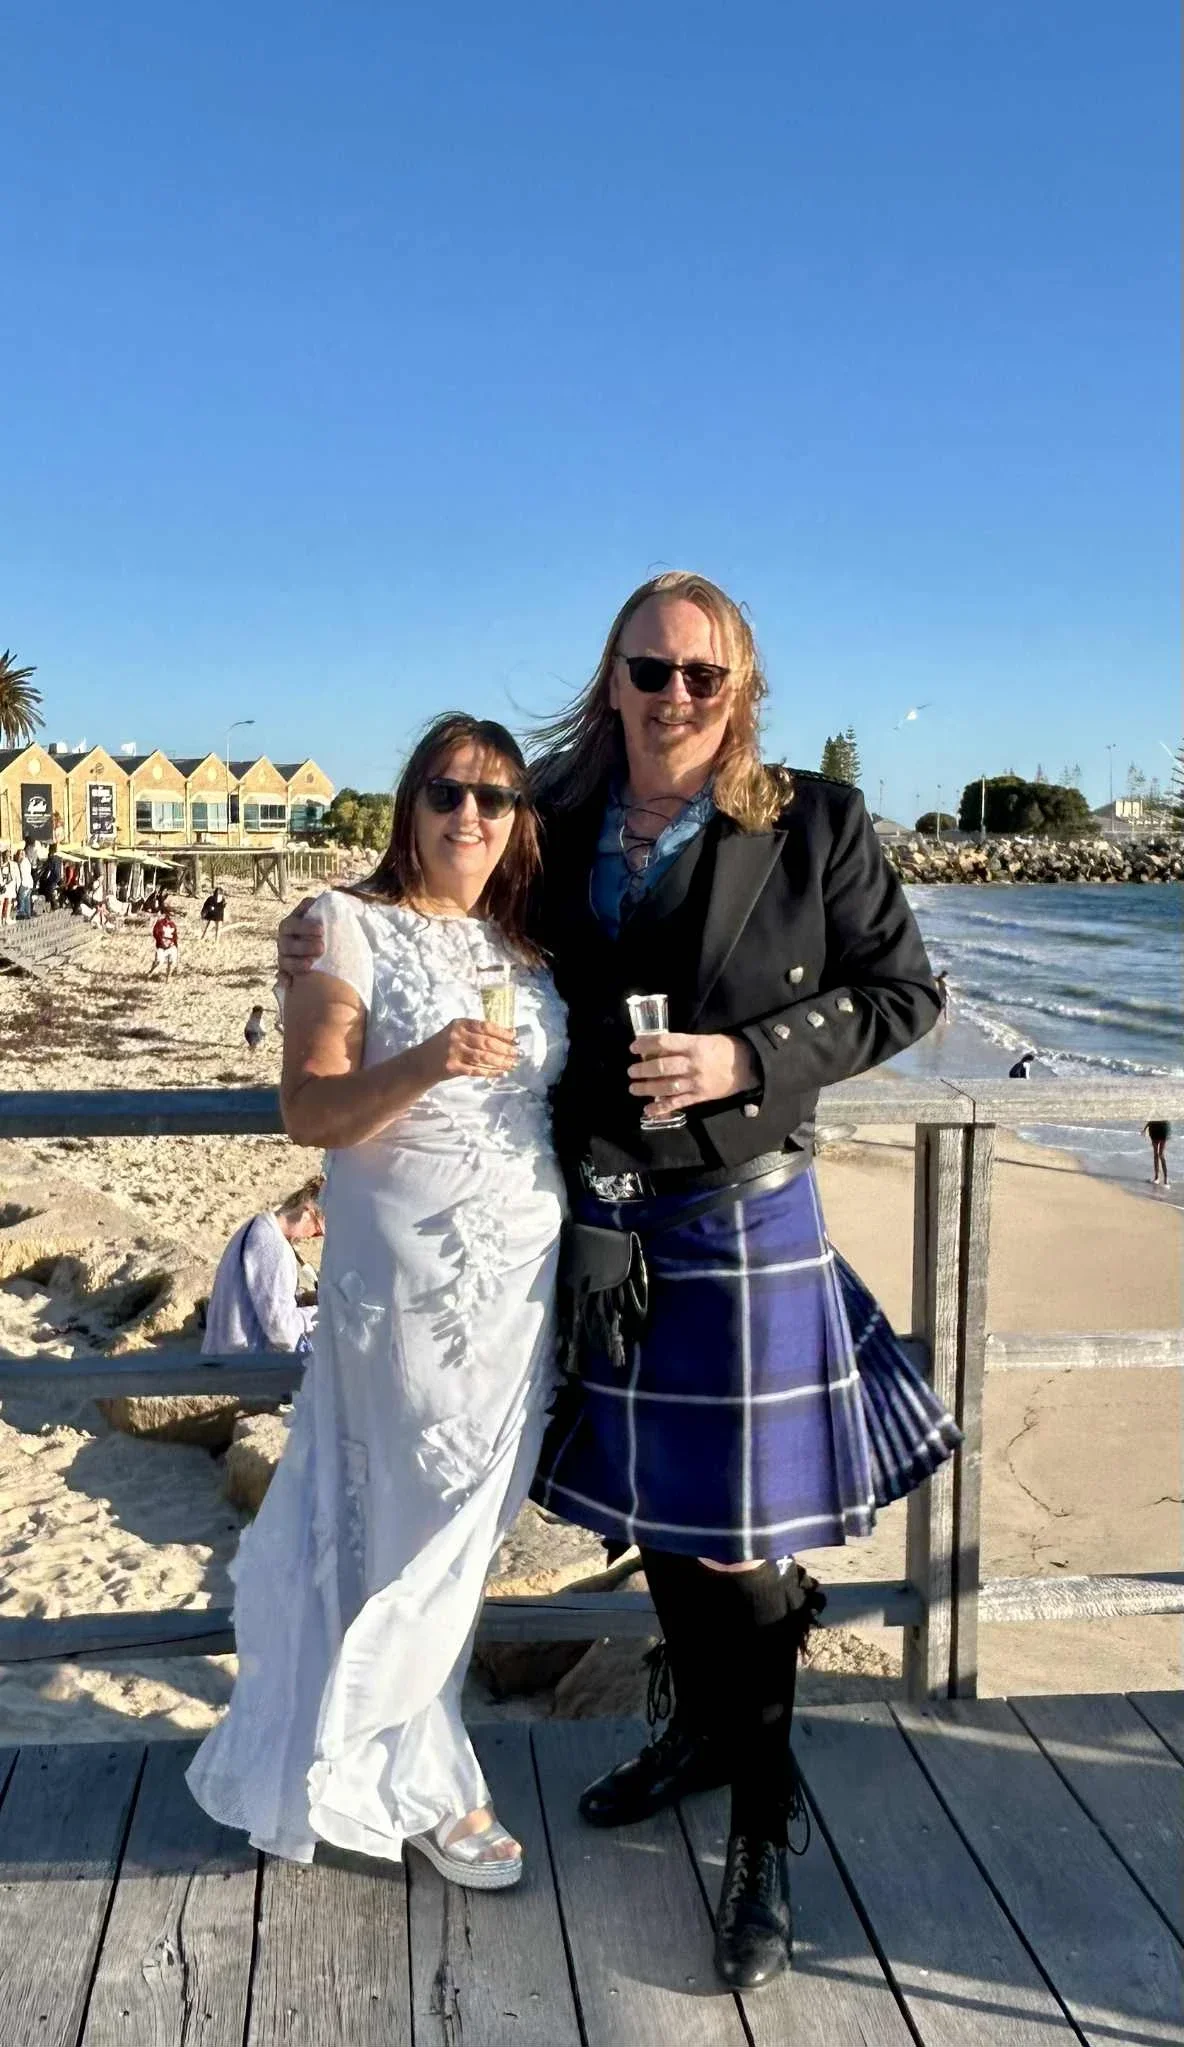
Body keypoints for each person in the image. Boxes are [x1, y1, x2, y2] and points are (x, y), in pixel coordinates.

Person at [274, 573, 955, 1988]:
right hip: (606, 1212)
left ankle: (766, 1823)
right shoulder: (564, 810)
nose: (676, 698)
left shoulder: (812, 820)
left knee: (739, 1537)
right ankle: (705, 1732)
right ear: (616, 677)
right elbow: (445, 896)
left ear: (742, 686)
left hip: (745, 1201)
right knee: (660, 1506)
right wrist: (325, 918)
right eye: (652, 671)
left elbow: (906, 992)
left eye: (704, 676)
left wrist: (750, 1056)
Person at [187, 713, 568, 1895]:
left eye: (494, 799)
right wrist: (426, 1061)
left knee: (466, 1530)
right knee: (405, 1523)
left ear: (518, 826)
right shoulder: (344, 927)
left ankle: (379, 1753)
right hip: (400, 1286)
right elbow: (310, 1110)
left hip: (518, 1291)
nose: (469, 815)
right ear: (411, 803)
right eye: (447, 792)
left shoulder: (533, 951)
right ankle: (431, 1782)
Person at [202, 1180, 324, 1356]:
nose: (313, 1237)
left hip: (221, 1354)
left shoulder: (257, 1225)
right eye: (318, 1230)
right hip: (245, 1366)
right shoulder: (273, 1246)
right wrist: (321, 1314)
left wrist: (305, 1299)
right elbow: (283, 1331)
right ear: (306, 1213)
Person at [149, 901, 181, 978]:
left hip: (171, 945)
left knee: (171, 962)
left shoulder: (172, 925)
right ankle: (150, 972)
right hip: (161, 946)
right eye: (170, 914)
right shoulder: (160, 923)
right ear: (166, 914)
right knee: (159, 961)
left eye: (172, 915)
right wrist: (161, 942)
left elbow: (175, 936)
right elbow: (156, 933)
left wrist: (175, 946)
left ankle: (168, 978)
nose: (171, 917)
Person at [1143, 1120, 1171, 1188]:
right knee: (1157, 1155)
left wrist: (1168, 1133)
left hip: (1161, 1132)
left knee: (1160, 1155)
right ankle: (1157, 1178)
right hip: (1155, 1132)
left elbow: (1167, 1122)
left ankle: (1165, 1179)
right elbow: (1150, 1120)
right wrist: (1144, 1129)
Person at [15, 845, 35, 920]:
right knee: (27, 899)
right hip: (29, 882)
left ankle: (22, 913)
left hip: (24, 882)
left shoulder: (22, 863)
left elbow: (21, 874)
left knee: (21, 898)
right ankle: (28, 913)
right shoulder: (27, 861)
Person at [0, 849, 15, 926]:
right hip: (3, 886)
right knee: (2, 903)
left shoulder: (10, 864)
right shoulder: (6, 865)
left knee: (8, 902)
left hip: (7, 886)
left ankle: (6, 918)